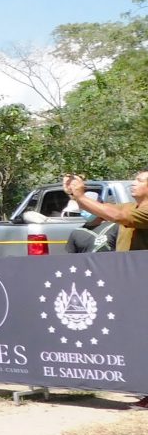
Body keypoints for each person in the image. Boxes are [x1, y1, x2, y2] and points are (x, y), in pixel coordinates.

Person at [64, 171, 148, 409]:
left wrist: (81, 195)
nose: (134, 183)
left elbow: (116, 214)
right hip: (133, 284)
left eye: (140, 180)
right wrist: (76, 193)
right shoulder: (132, 205)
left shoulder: (142, 211)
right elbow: (103, 209)